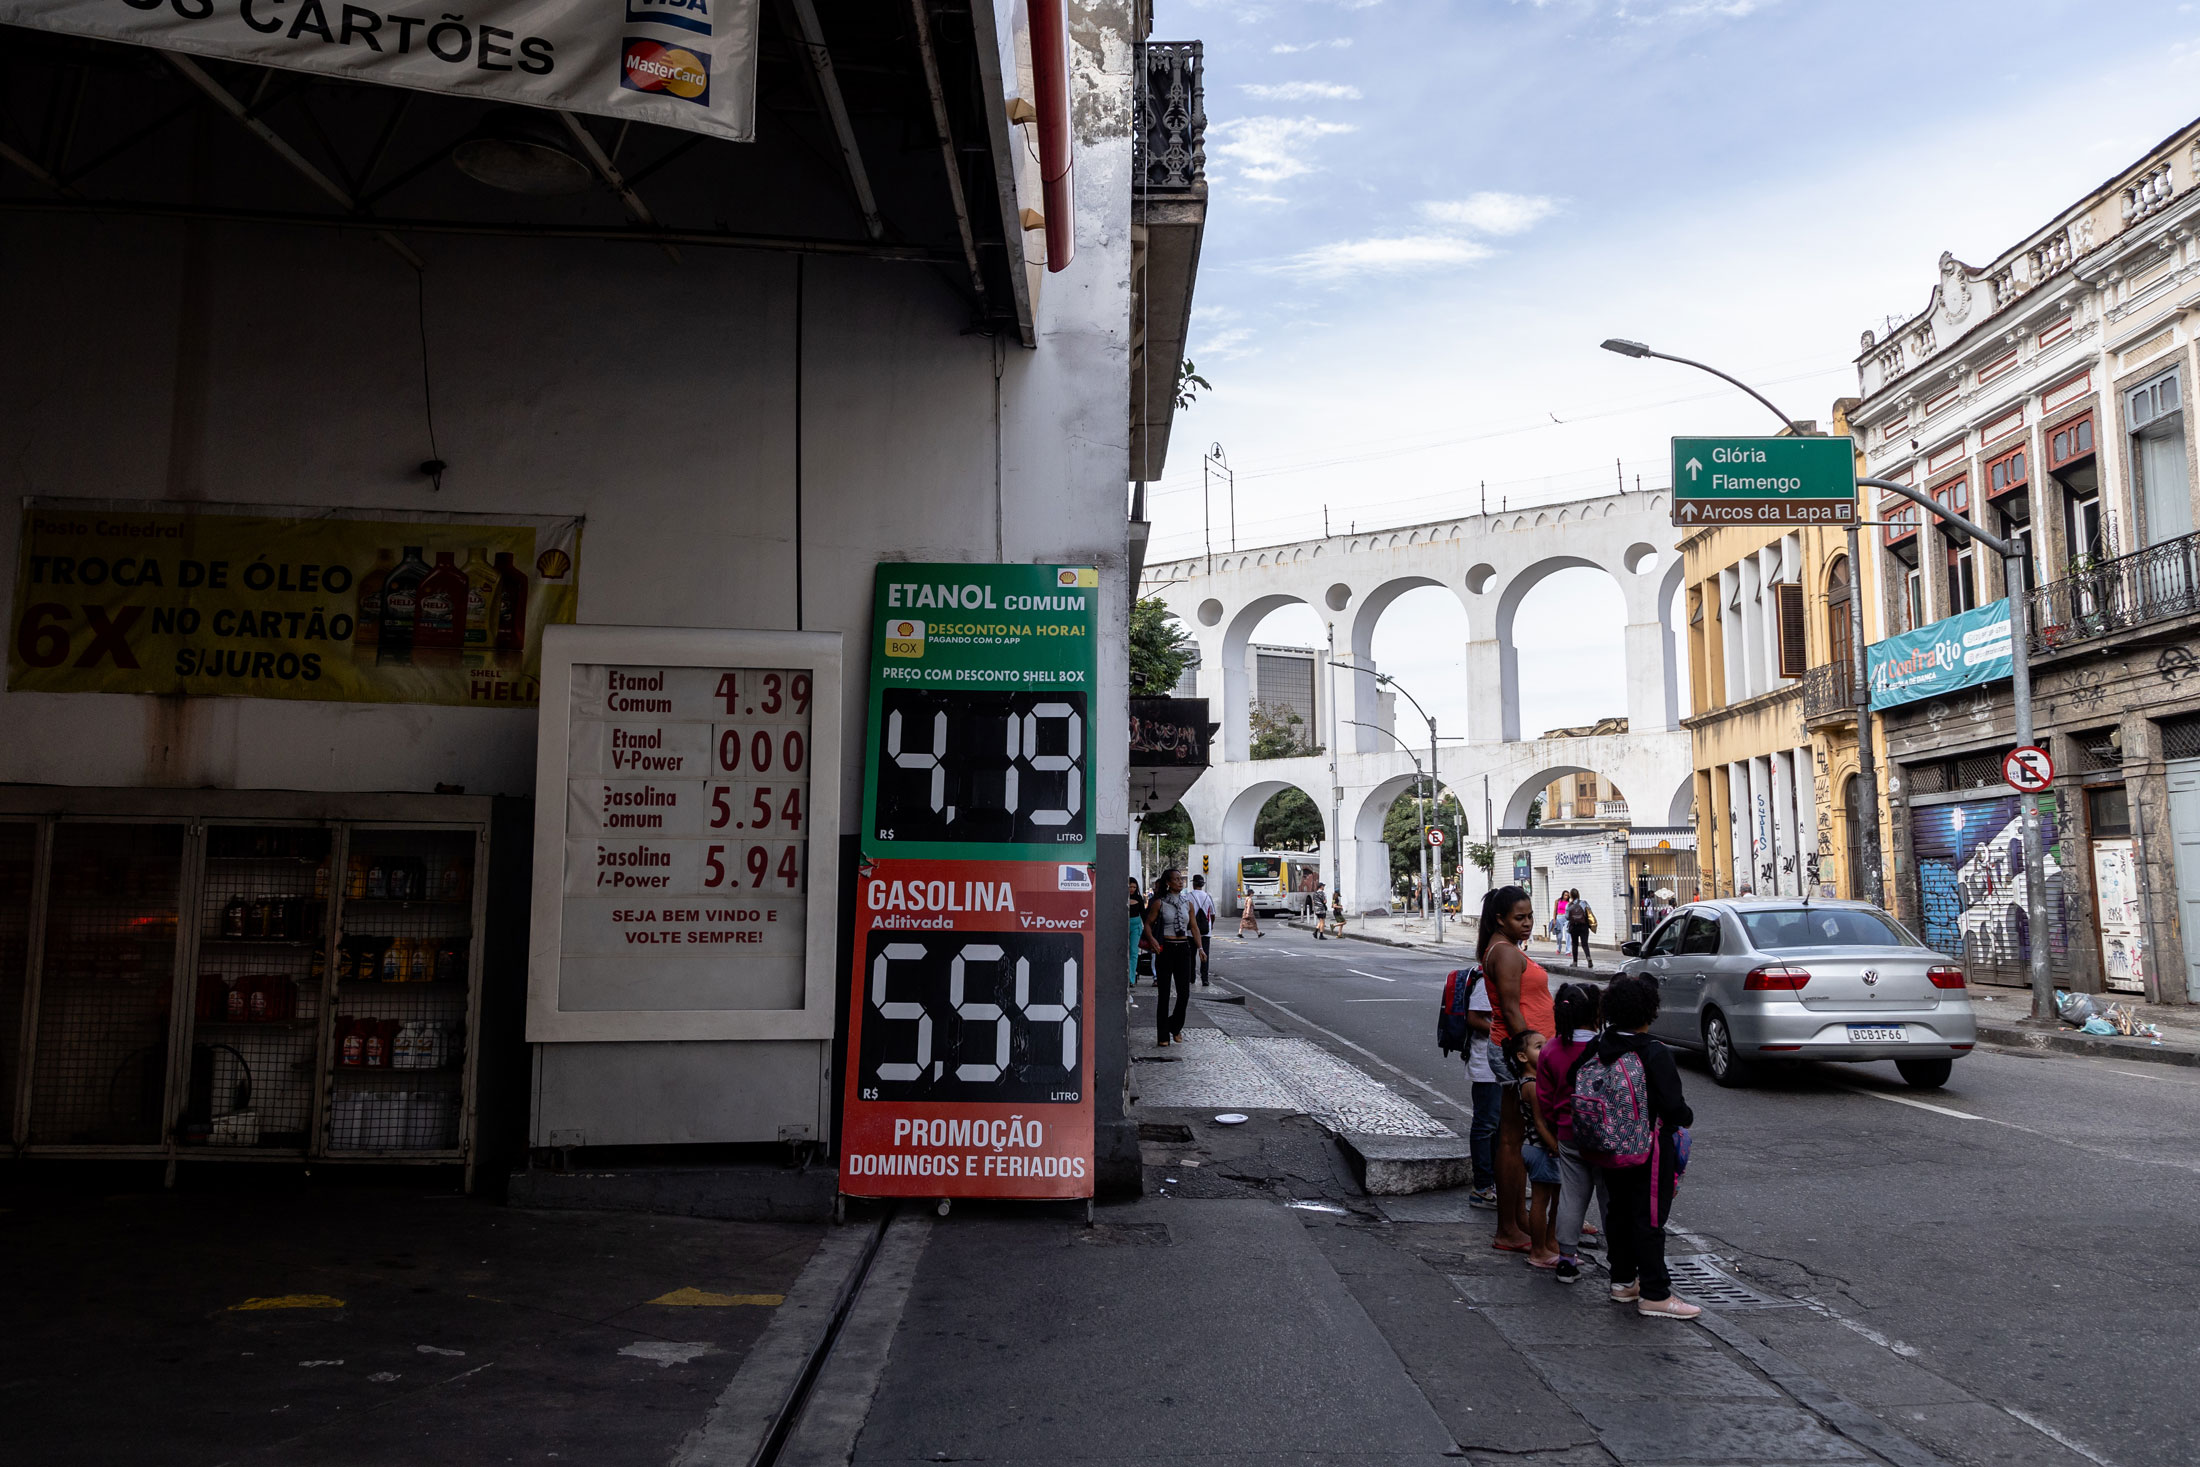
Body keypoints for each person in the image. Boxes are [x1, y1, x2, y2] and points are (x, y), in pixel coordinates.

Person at [1588, 974, 1698, 1320]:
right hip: (1648, 1148)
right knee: (1649, 1218)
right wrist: (1685, 1117)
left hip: (1607, 1147)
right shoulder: (1653, 1052)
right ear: (1650, 1012)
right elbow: (1673, 1107)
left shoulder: (1600, 1045)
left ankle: (1622, 1280)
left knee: (1617, 1213)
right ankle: (1655, 1294)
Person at [1478, 884, 1555, 1255]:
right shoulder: (1505, 953)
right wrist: (1529, 1053)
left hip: (1519, 1053)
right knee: (1511, 1141)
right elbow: (1510, 1010)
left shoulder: (1504, 948)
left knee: (1516, 1138)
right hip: (1516, 1054)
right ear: (1500, 919)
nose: (1527, 924)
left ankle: (1521, 1219)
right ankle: (1508, 1227)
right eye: (1519, 918)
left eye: (1529, 917)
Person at [1534, 982, 1608, 1286]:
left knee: (1571, 1197)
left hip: (1567, 1134)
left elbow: (1545, 1100)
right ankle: (1621, 1267)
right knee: (1609, 1199)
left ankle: (1566, 1259)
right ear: (1596, 1014)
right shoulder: (1606, 1048)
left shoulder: (1550, 1049)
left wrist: (1556, 1125)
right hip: (1605, 1137)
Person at [1516, 1030, 1562, 1268]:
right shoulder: (1531, 1086)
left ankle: (1550, 1244)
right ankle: (1538, 1250)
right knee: (1540, 1200)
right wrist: (1555, 1147)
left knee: (1554, 1198)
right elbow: (1540, 1122)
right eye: (1538, 1046)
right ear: (1522, 1057)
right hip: (1540, 1148)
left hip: (1542, 1148)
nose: (1545, 1050)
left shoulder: (1536, 1081)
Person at [1144, 867, 1202, 1047]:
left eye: (1180, 879)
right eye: (1176, 879)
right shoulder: (1159, 903)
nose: (1180, 881)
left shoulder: (1188, 903)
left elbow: (1194, 927)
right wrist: (1152, 939)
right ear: (1168, 883)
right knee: (1164, 994)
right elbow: (1148, 924)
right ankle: (1163, 1035)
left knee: (1184, 993)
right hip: (1165, 949)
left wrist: (1200, 948)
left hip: (1183, 948)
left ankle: (1174, 1026)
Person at [1465, 977, 1500, 1210]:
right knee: (1486, 1125)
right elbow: (1474, 1017)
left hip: (1503, 1066)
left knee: (1502, 1127)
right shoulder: (1487, 983)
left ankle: (1501, 1182)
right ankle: (1482, 1187)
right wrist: (1506, 1032)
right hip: (1487, 1065)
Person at [1188, 874, 1217, 986]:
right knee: (1205, 955)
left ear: (1193, 884)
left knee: (1191, 955)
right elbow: (1213, 914)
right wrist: (1211, 925)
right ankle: (1205, 979)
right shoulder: (1207, 896)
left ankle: (1192, 978)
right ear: (1202, 884)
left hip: (1191, 931)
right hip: (1205, 931)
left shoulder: (1188, 896)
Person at [1126, 878, 1147, 989]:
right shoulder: (1121, 897)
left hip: (1136, 926)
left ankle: (1131, 978)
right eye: (1130, 887)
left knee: (1134, 952)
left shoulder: (1139, 898)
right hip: (1123, 926)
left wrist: (1148, 930)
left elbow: (1143, 914)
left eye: (1134, 887)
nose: (1132, 889)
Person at [1567, 888, 1595, 969]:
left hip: (1574, 926)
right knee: (1585, 943)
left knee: (1575, 944)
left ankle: (1575, 962)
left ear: (1571, 895)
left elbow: (1567, 917)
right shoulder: (1584, 903)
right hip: (1583, 926)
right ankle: (1588, 958)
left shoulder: (1569, 905)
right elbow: (1589, 913)